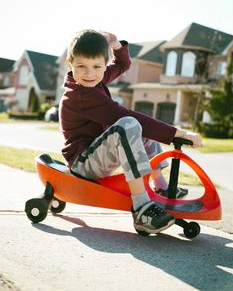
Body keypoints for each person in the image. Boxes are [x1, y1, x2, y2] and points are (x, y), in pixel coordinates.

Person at [59, 30, 202, 235]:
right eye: (81, 66)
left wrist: (117, 45)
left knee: (138, 127)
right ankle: (141, 207)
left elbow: (123, 65)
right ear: (70, 64)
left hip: (96, 154)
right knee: (129, 123)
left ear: (104, 64)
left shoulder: (93, 81)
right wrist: (177, 133)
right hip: (83, 163)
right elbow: (121, 114)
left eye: (97, 66)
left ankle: (160, 185)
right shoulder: (80, 94)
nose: (90, 73)